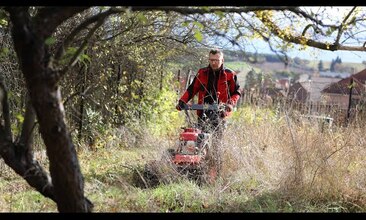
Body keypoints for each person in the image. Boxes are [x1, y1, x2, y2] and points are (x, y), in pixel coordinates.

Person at [175, 49, 241, 180]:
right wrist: (182, 101)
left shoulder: (229, 74)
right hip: (203, 112)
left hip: (220, 114)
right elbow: (192, 89)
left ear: (222, 60)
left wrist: (230, 104)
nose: (214, 63)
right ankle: (196, 171)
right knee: (198, 141)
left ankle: (215, 175)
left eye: (216, 60)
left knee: (216, 144)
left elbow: (236, 93)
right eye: (211, 60)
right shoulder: (202, 73)